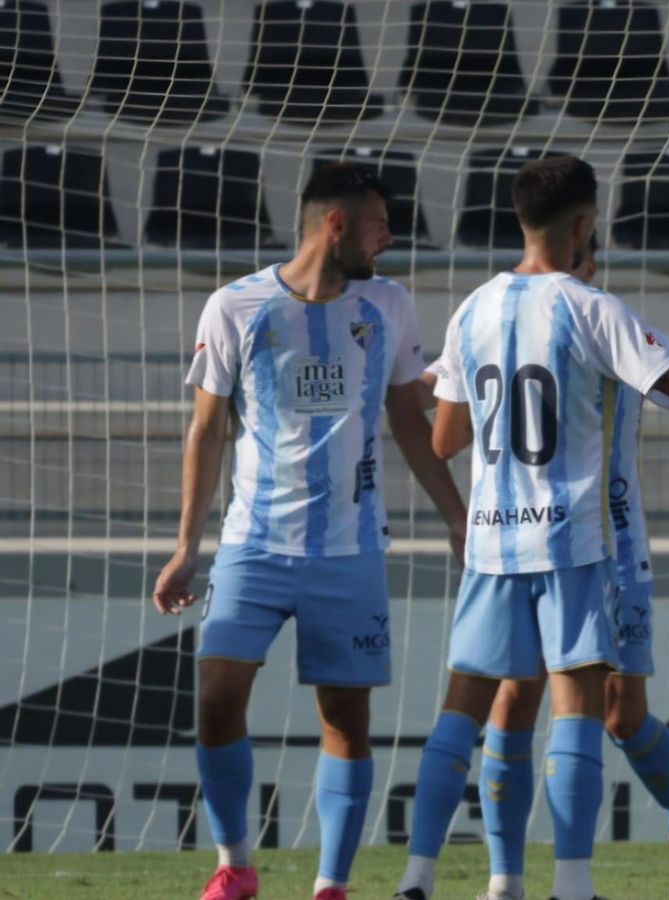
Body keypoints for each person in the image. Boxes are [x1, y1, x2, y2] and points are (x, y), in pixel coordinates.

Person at [406, 155, 669, 900]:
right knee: (541, 705)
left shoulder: (480, 309)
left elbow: (443, 437)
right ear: (585, 226)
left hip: (573, 544)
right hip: (575, 543)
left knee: (615, 713)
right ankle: (517, 881)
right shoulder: (591, 311)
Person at [151, 163, 469, 900]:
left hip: (350, 550)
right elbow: (207, 431)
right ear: (336, 224)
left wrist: (457, 516)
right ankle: (236, 865)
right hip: (253, 545)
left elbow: (406, 419)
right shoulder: (235, 305)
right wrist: (185, 547)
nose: (389, 238)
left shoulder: (388, 303)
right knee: (217, 697)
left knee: (345, 718)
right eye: (379, 223)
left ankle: (332, 885)